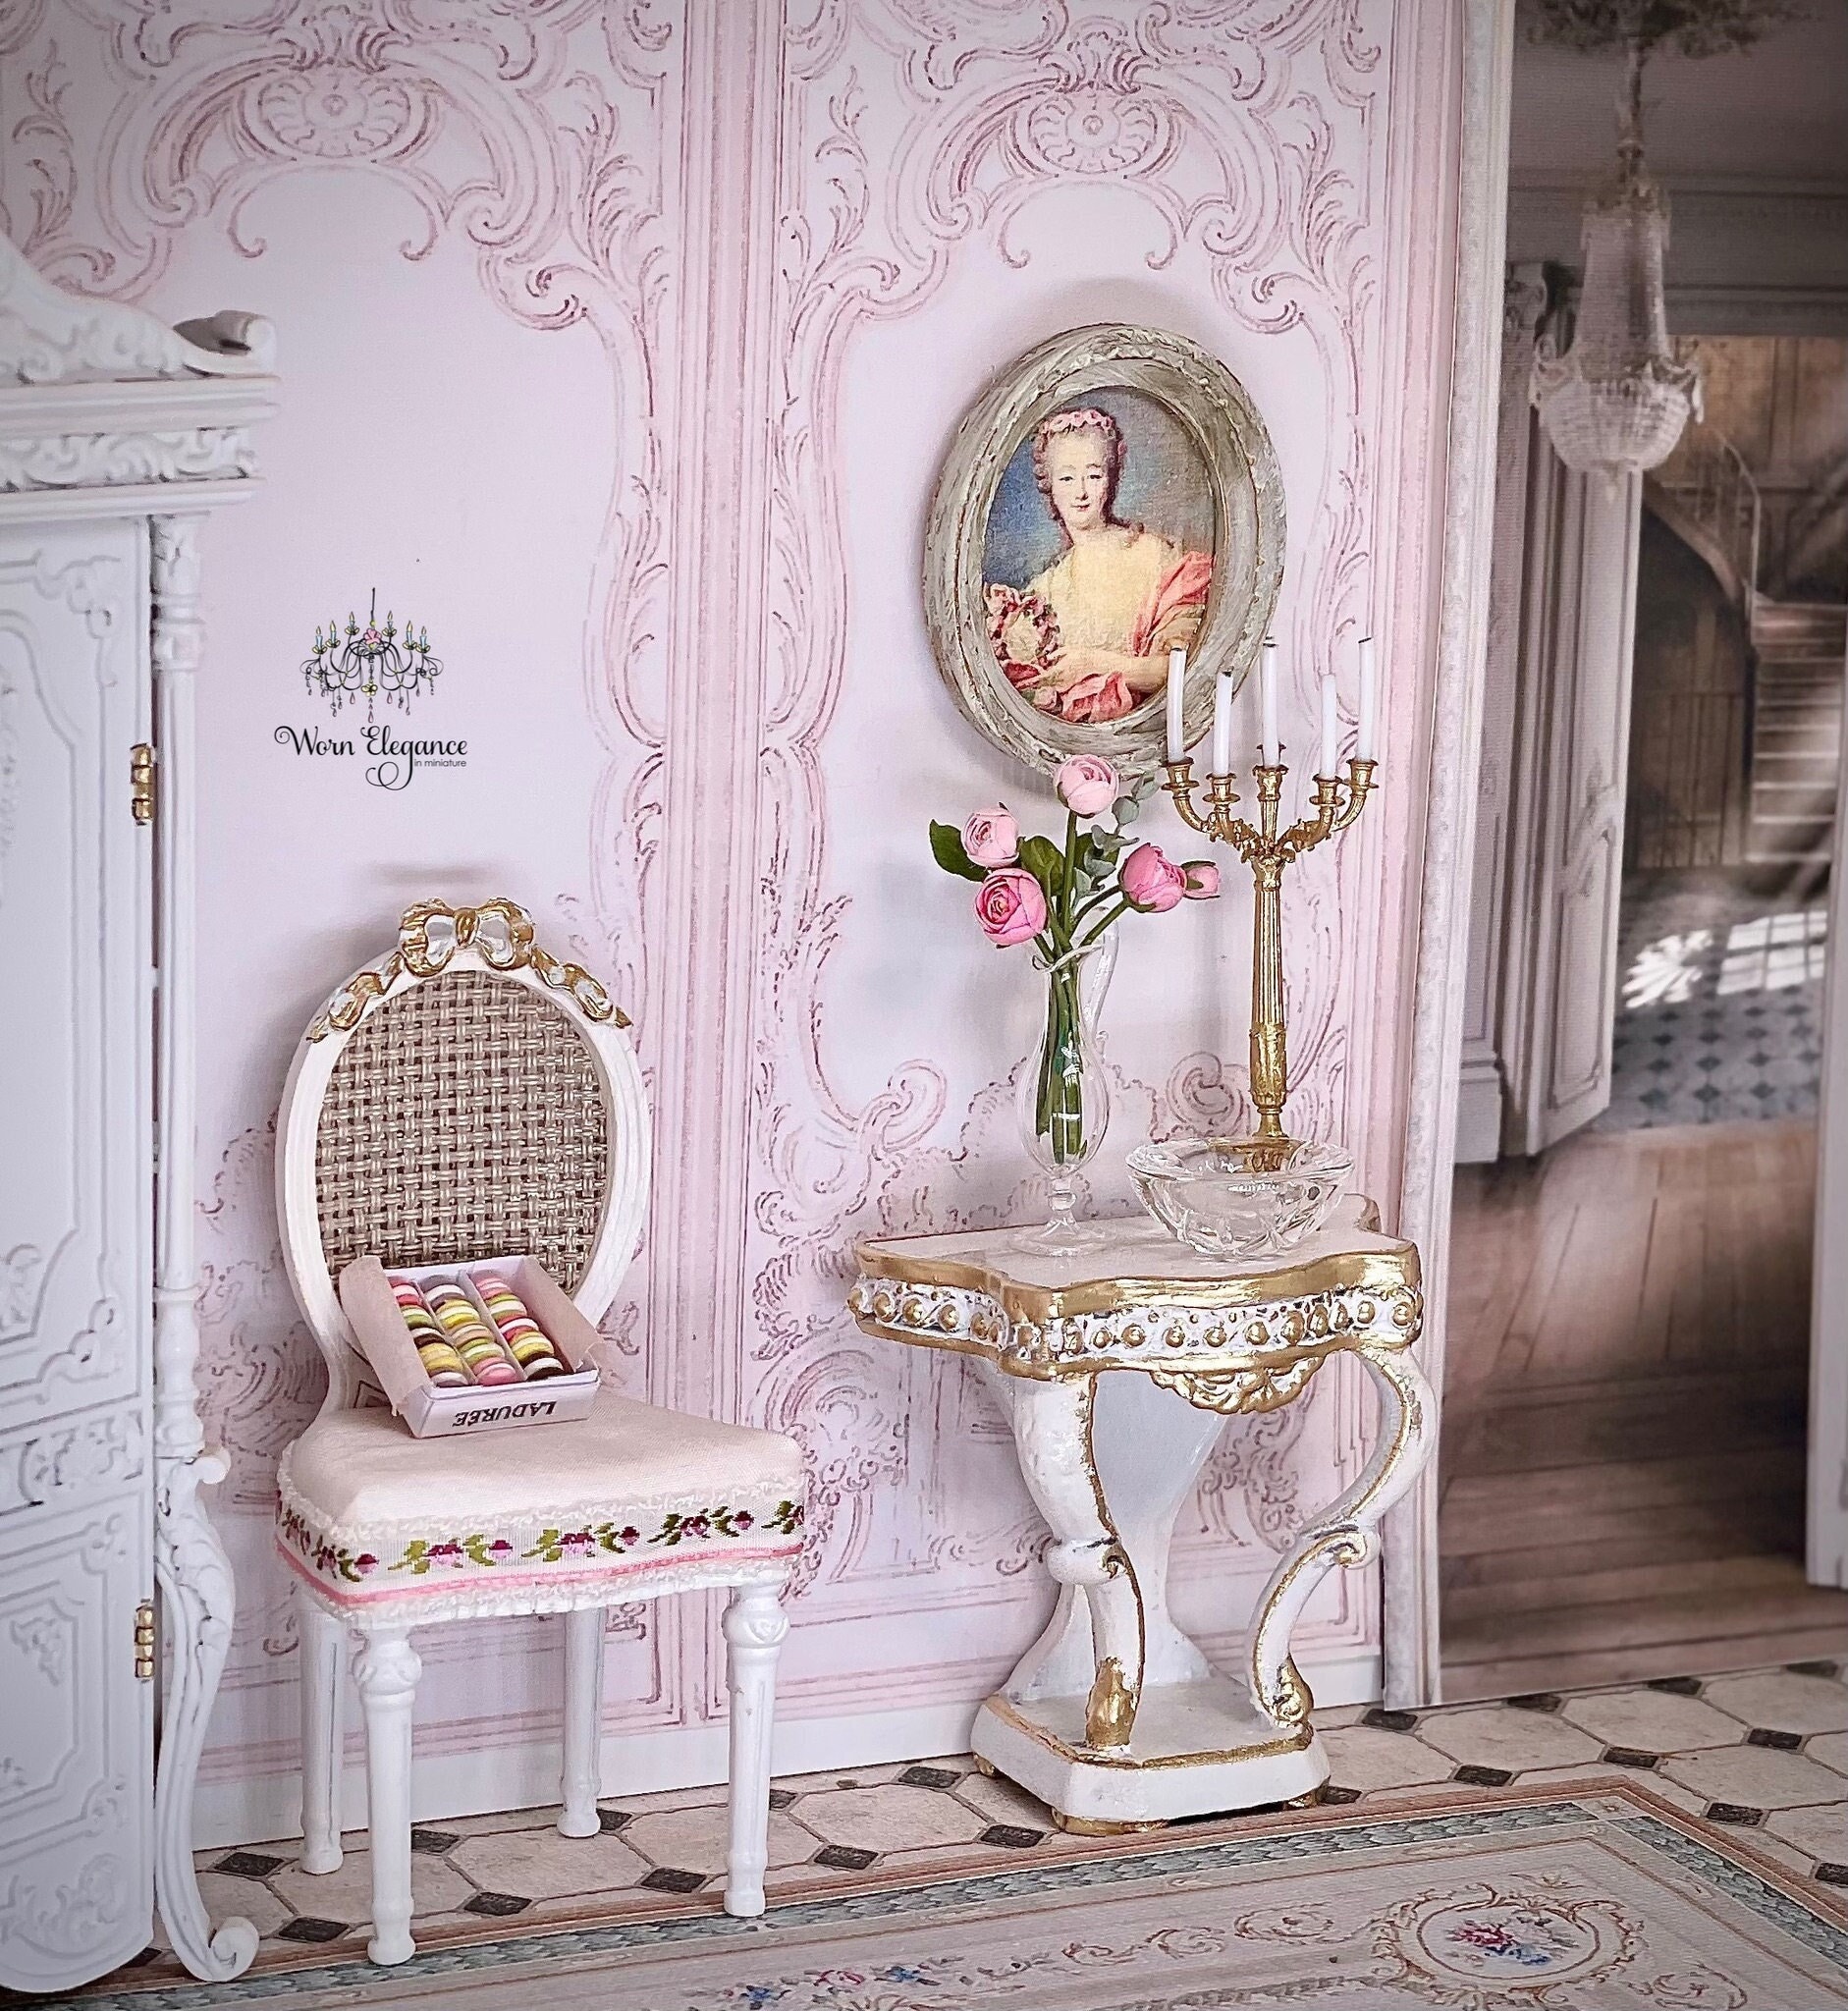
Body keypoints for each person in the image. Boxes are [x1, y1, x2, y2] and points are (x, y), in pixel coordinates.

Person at [991, 407, 1214, 726]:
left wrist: (1093, 663)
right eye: (1067, 478)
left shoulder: (1152, 555)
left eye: (1094, 476)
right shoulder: (1043, 590)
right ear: (1050, 486)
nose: (1081, 492)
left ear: (1110, 480)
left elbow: (1179, 669)